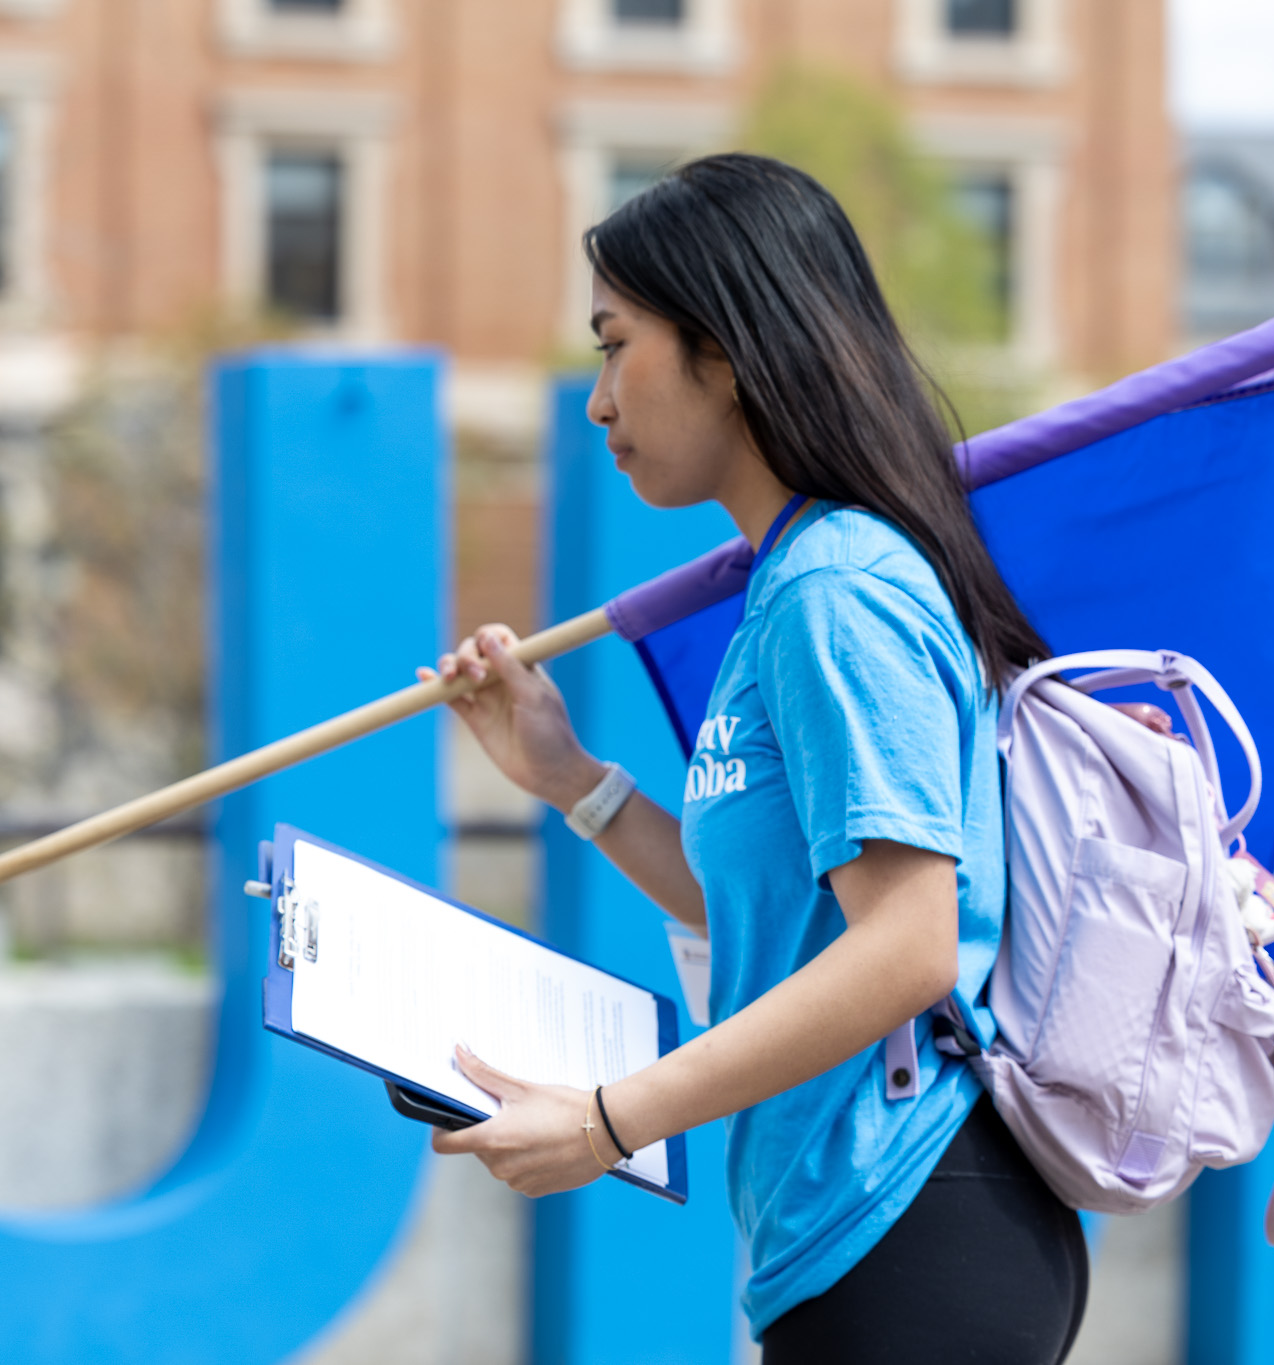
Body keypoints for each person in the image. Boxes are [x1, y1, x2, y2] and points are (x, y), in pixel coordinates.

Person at [419, 154, 1089, 1363]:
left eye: (612, 345)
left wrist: (608, 1124)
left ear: (723, 354)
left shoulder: (835, 585)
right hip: (853, 1239)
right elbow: (786, 916)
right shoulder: (791, 582)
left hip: (912, 1229)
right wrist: (571, 779)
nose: (597, 401)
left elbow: (904, 941)